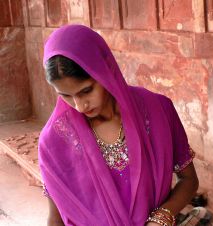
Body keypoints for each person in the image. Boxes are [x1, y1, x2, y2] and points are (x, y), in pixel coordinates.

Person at [38, 24, 199, 226]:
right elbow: (56, 219)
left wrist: (161, 218)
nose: (80, 106)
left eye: (86, 90)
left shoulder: (158, 110)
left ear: (105, 70)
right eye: (65, 96)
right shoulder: (54, 141)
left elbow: (189, 180)